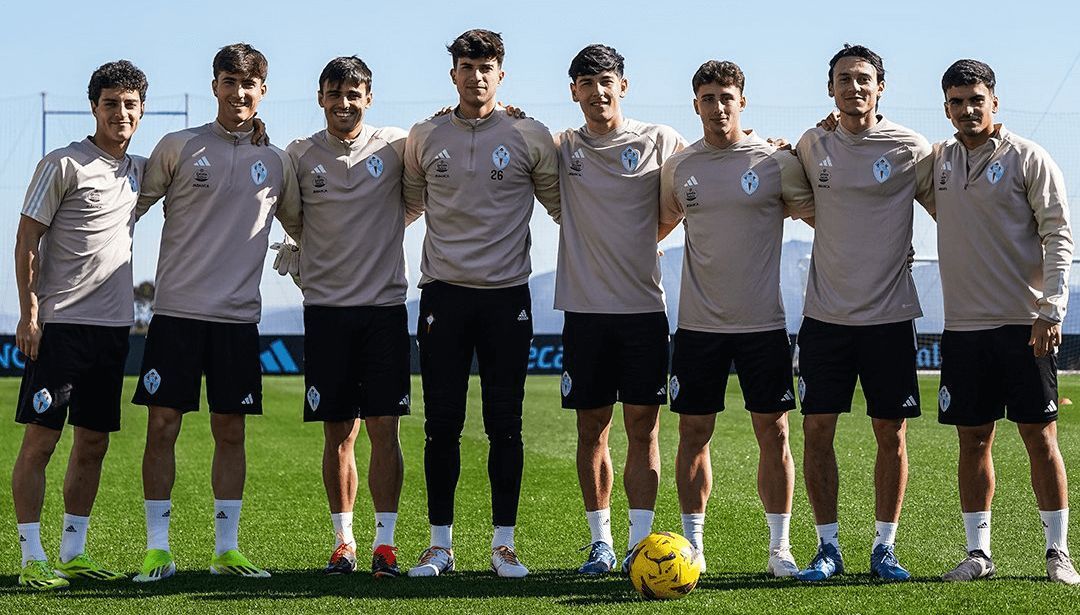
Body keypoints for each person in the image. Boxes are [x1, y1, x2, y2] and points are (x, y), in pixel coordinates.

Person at [131, 43, 301, 581]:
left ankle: (226, 550)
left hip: (236, 321)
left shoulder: (276, 162)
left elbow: (304, 225)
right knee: (162, 426)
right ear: (215, 87)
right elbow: (127, 210)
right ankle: (158, 549)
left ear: (263, 91)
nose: (240, 92)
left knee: (231, 432)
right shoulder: (178, 147)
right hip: (177, 315)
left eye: (249, 84)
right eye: (230, 82)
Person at [401, 29, 560, 579]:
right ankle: (439, 546)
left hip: (506, 299)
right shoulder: (425, 135)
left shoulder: (529, 134)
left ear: (501, 73)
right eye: (467, 67)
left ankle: (503, 546)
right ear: (454, 74)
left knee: (505, 426)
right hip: (443, 296)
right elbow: (399, 208)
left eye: (486, 66)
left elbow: (570, 208)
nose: (477, 76)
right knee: (440, 425)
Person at [929, 59, 1080, 584]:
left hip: (1024, 324)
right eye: (956, 101)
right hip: (964, 328)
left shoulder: (1028, 158)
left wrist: (1050, 310)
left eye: (976, 99)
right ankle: (978, 554)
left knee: (1040, 438)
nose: (967, 109)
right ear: (945, 108)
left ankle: (1058, 553)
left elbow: (1059, 234)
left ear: (995, 101)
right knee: (973, 440)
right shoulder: (939, 162)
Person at [658, 59, 810, 577]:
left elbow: (825, 215)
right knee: (693, 434)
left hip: (763, 324)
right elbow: (655, 226)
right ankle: (694, 546)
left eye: (726, 96)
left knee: (776, 434)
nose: (717, 107)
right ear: (695, 104)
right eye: (707, 98)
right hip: (699, 326)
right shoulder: (679, 167)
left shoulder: (775, 161)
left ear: (742, 100)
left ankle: (779, 548)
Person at [788, 44, 933, 582]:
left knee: (890, 433)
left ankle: (884, 548)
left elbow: (952, 206)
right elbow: (790, 184)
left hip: (890, 316)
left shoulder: (912, 148)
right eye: (844, 79)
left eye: (864, 79)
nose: (854, 87)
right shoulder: (811, 143)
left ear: (881, 87)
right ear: (831, 89)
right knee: (817, 429)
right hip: (825, 317)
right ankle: (827, 548)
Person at [11, 60, 148, 590]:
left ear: (141, 110)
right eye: (110, 103)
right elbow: (27, 240)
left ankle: (73, 552)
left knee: (92, 443)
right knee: (40, 443)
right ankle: (31, 557)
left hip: (113, 329)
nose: (120, 113)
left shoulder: (138, 170)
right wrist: (30, 312)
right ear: (94, 107)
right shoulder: (63, 163)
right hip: (61, 326)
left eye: (130, 104)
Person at [553, 44, 686, 575]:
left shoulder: (659, 140)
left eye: (606, 81)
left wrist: (645, 237)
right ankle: (601, 542)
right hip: (584, 312)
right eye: (586, 83)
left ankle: (639, 542)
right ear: (574, 92)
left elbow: (698, 179)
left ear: (623, 86)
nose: (597, 92)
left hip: (642, 311)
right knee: (592, 429)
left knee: (644, 429)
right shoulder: (561, 146)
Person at [282, 55, 415, 577]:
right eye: (335, 94)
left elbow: (418, 197)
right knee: (337, 432)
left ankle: (385, 545)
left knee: (385, 428)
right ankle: (344, 543)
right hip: (327, 310)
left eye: (354, 93)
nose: (345, 103)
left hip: (384, 309)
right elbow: (292, 216)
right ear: (321, 98)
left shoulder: (397, 145)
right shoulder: (298, 154)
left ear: (369, 97)